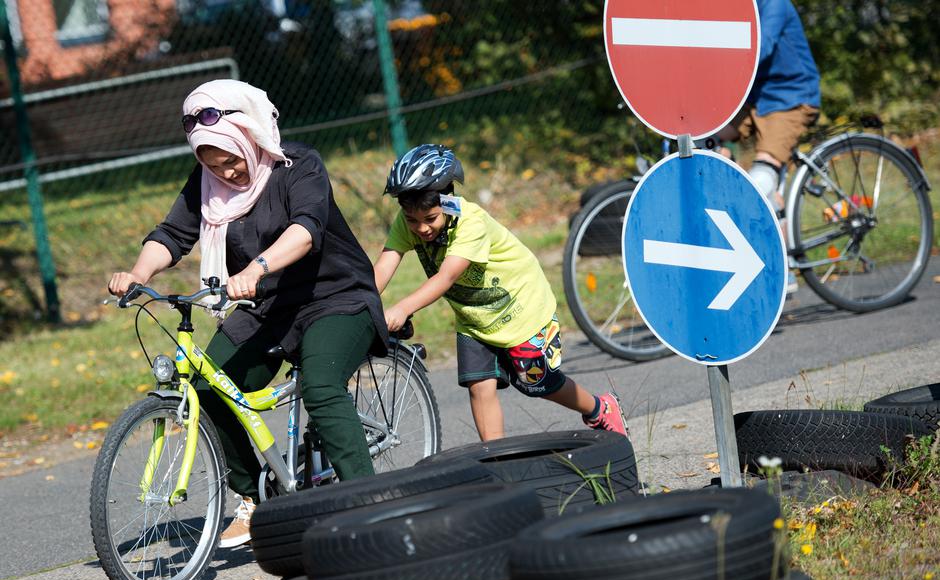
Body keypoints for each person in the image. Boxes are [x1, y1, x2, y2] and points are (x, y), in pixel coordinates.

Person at [108, 79, 388, 548]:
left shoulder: (297, 165)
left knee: (321, 385)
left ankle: (371, 504)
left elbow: (306, 230)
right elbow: (173, 235)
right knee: (207, 388)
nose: (229, 173)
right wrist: (138, 273)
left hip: (335, 297)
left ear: (250, 136)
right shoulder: (207, 184)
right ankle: (258, 496)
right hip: (265, 306)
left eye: (233, 159)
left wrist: (258, 267)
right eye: (214, 165)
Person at [373, 144, 627, 442]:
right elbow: (384, 266)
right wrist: (363, 300)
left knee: (538, 383)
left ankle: (599, 408)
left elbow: (447, 277)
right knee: (479, 386)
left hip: (521, 309)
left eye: (430, 218)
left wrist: (403, 307)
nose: (421, 229)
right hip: (474, 319)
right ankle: (497, 458)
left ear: (448, 200)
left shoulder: (471, 222)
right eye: (413, 220)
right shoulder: (407, 224)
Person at [716, 0, 820, 293]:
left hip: (791, 98)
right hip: (754, 99)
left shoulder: (775, 4)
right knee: (704, 140)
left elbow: (759, 49)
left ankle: (782, 268)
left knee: (762, 180)